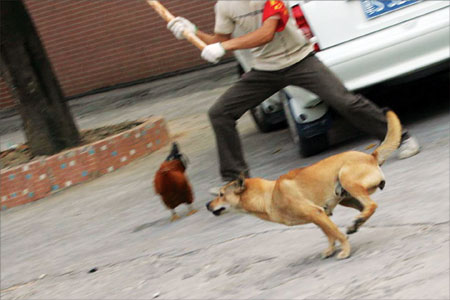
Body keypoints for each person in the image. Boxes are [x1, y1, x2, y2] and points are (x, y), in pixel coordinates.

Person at [167, 0, 420, 193]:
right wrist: (192, 31)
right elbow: (218, 41)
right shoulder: (224, 5)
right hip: (265, 69)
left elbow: (267, 32)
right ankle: (236, 181)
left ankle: (401, 139)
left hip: (300, 60)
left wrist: (224, 46)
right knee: (220, 113)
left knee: (345, 101)